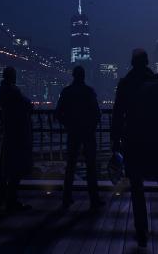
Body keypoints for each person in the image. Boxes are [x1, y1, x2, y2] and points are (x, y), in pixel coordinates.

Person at [111, 49, 158, 247]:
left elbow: (117, 116)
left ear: (132, 63)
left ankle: (142, 233)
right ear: (147, 62)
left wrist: (115, 141)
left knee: (136, 189)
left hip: (133, 142)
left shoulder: (125, 84)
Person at [55, 66, 105, 210]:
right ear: (84, 76)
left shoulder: (66, 92)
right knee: (91, 167)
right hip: (88, 133)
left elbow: (58, 114)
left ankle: (66, 198)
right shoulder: (89, 92)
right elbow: (97, 114)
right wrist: (91, 126)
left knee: (70, 166)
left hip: (73, 132)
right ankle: (94, 199)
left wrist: (68, 125)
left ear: (73, 75)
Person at [0, 67, 34, 212]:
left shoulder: (4, 90)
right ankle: (11, 201)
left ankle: (1, 198)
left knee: (6, 168)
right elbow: (27, 105)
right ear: (11, 76)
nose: (16, 77)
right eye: (14, 75)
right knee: (15, 168)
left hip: (9, 131)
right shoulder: (12, 91)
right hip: (17, 134)